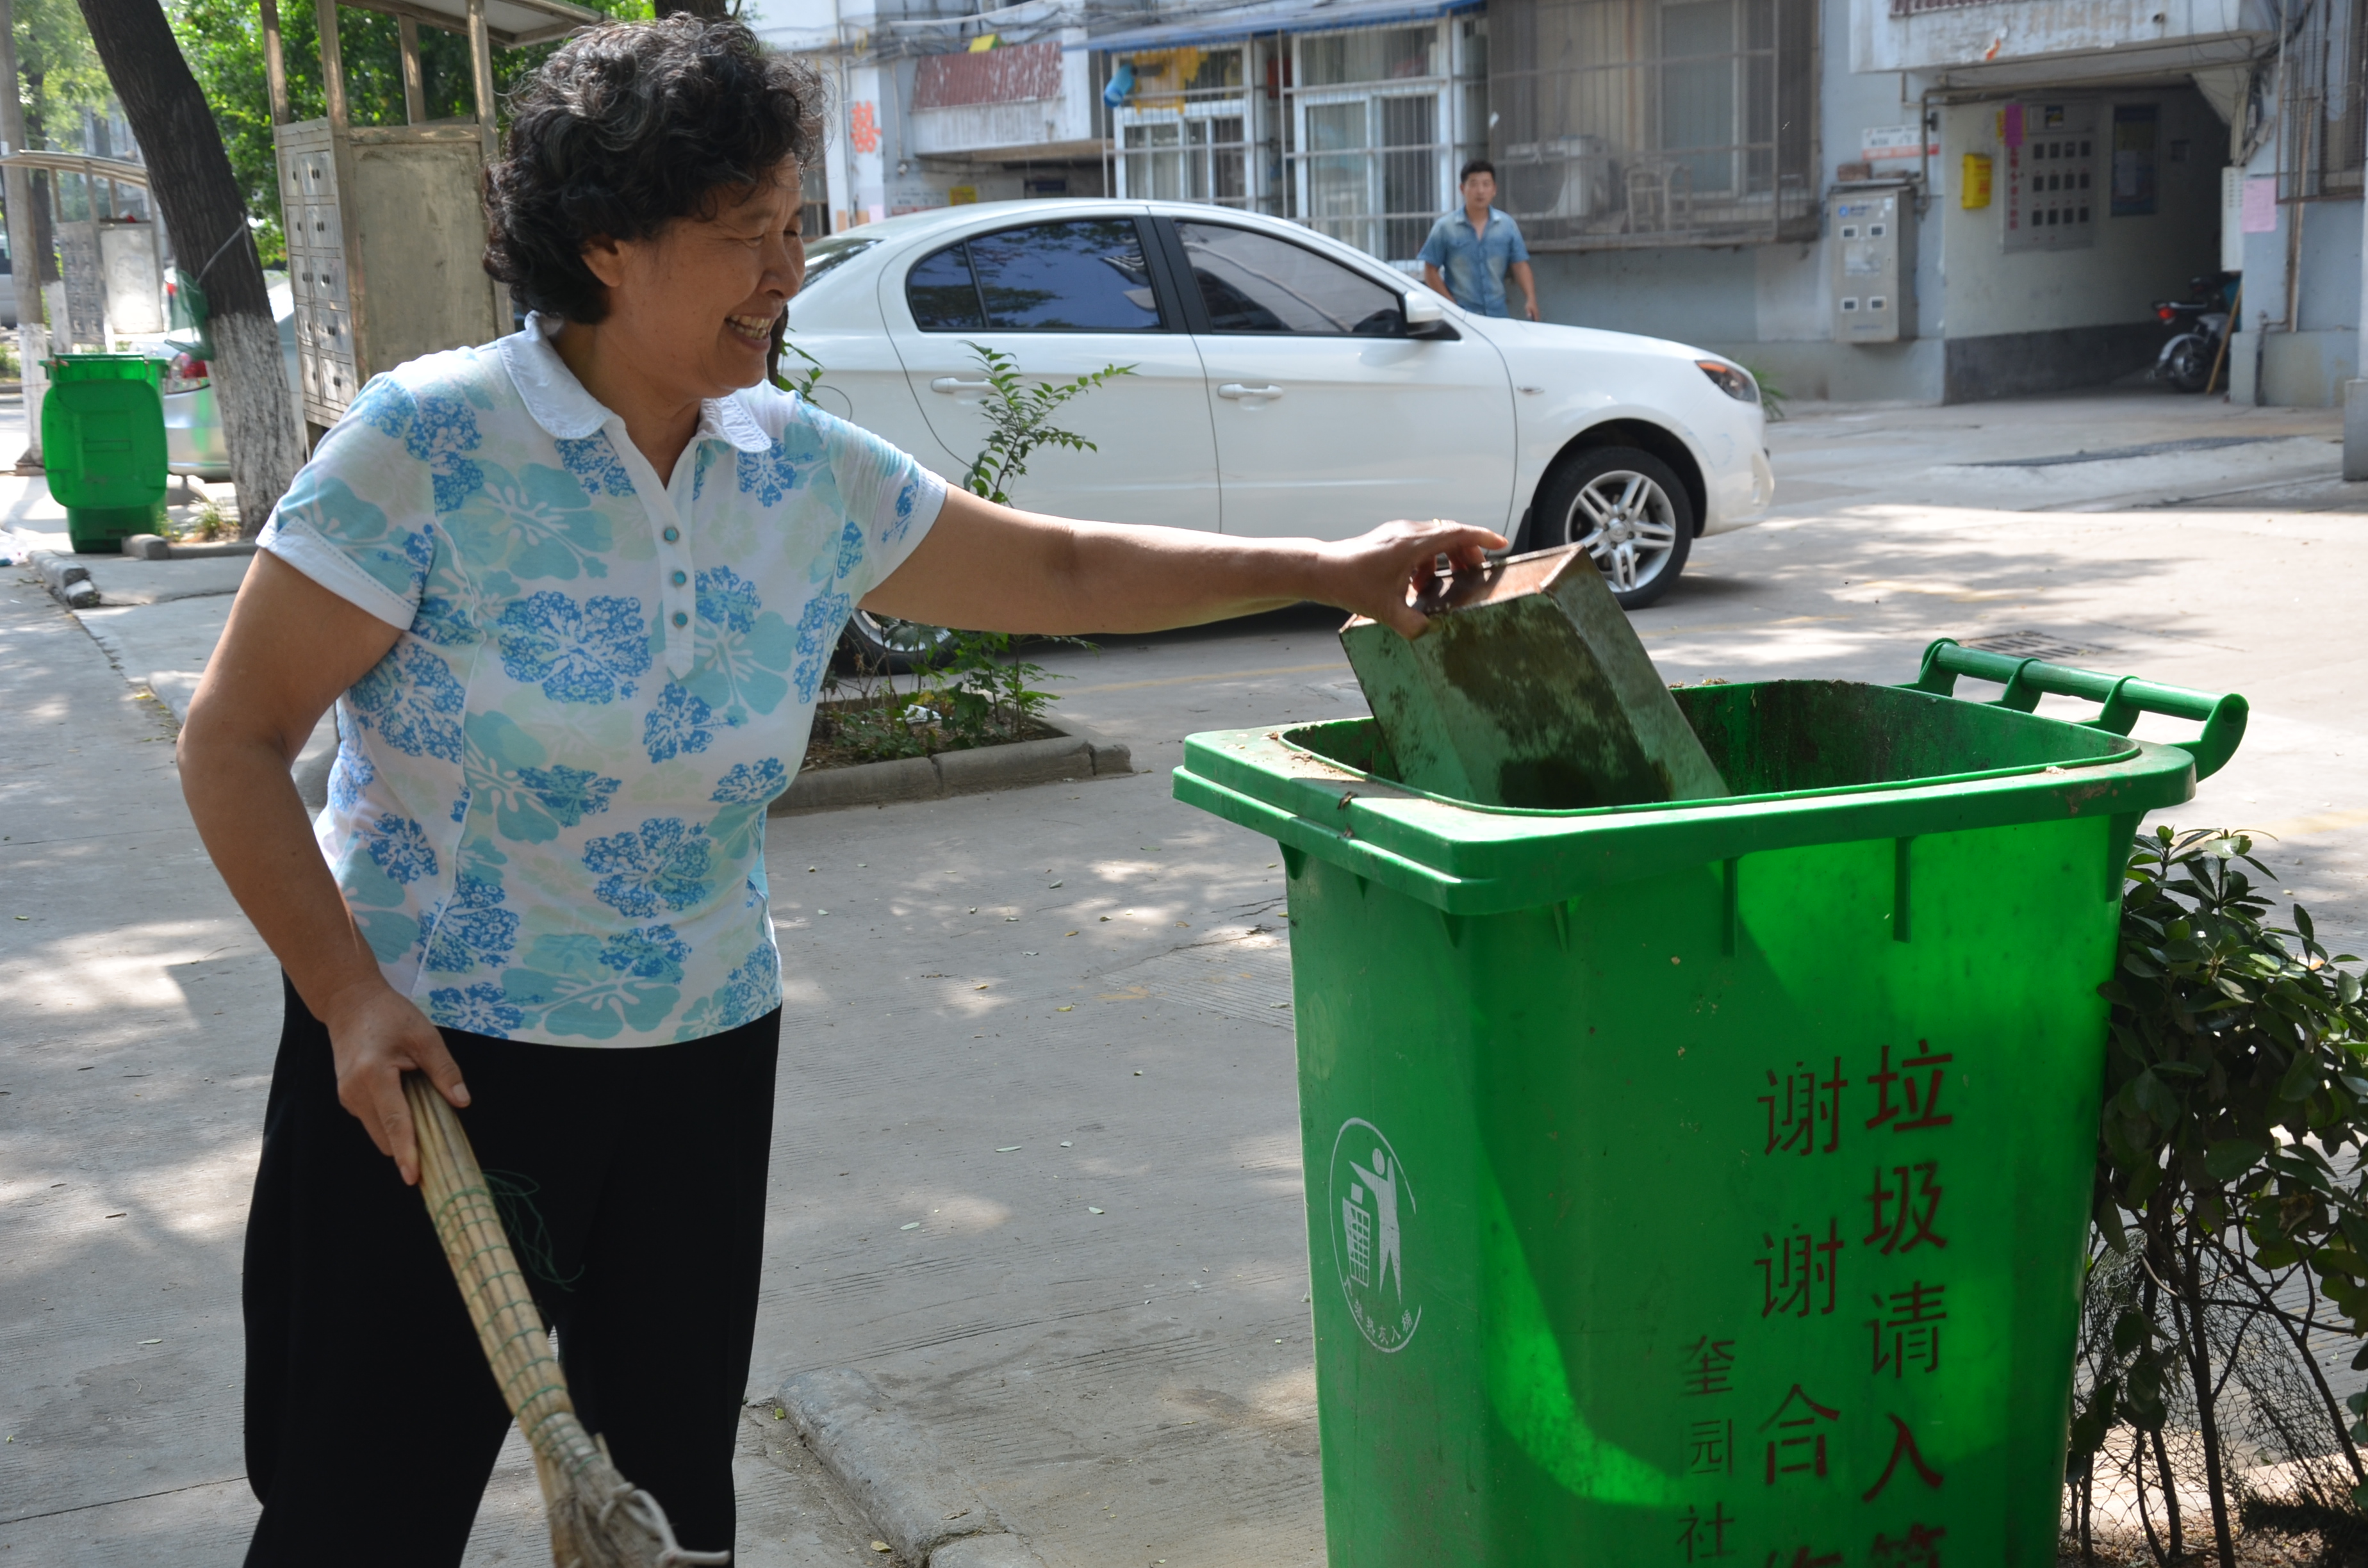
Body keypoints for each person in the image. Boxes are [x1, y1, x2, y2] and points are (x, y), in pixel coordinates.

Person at [176, 17, 1502, 1566]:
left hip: (699, 1049)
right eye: (743, 238)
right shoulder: (430, 445)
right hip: (434, 1065)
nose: (785, 273)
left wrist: (1325, 565)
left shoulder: (798, 469)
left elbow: (1059, 561)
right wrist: (344, 992)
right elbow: (234, 736)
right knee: (362, 1503)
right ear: (608, 245)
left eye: (793, 226)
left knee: (665, 1496)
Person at [1418, 158, 1540, 322]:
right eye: (1473, 184)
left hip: (1498, 315)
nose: (1480, 191)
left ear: (1494, 189)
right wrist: (1451, 305)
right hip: (1461, 317)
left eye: (1486, 184)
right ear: (1463, 189)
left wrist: (1531, 299)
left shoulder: (1506, 225)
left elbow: (1520, 265)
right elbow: (1430, 270)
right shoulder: (1445, 228)